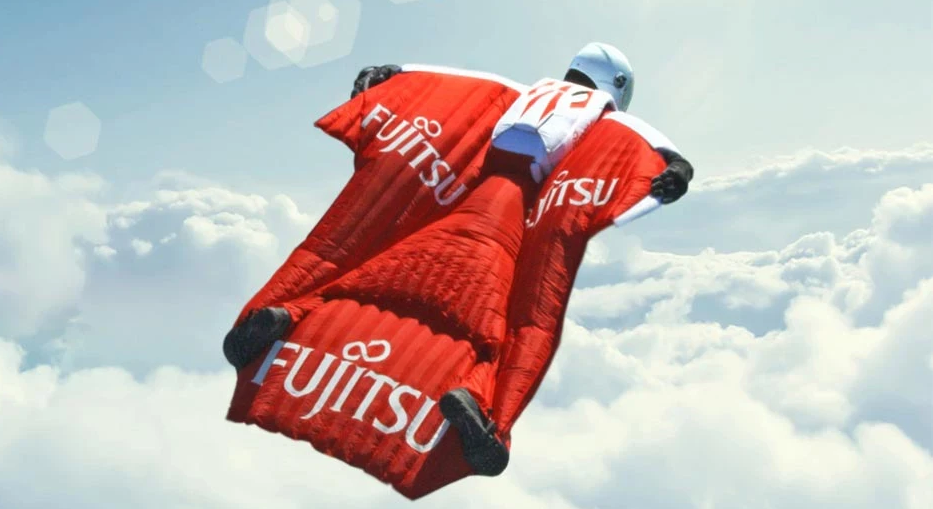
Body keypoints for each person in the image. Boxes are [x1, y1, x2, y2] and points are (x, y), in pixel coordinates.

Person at [236, 43, 695, 477]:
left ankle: (286, 315)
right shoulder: (606, 120)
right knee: (524, 325)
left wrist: (387, 78)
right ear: (615, 85)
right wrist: (676, 174)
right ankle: (488, 416)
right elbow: (663, 153)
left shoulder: (516, 93)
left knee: (367, 265)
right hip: (516, 230)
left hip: (462, 207)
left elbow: (447, 80)